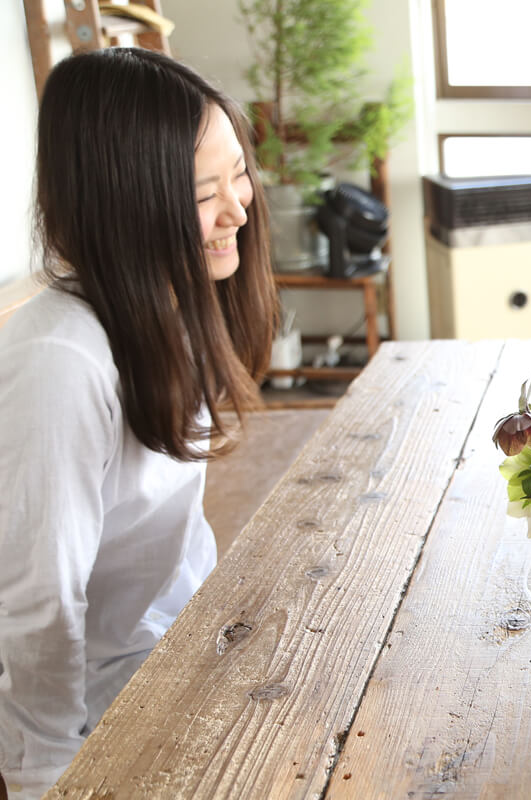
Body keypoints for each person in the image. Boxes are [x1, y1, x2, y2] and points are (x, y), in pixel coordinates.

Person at [0, 48, 276, 799]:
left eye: (238, 176)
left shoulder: (165, 303)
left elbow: (171, 542)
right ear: (126, 203)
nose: (239, 209)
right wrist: (43, 778)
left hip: (178, 654)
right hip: (101, 713)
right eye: (204, 193)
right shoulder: (61, 360)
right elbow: (38, 604)